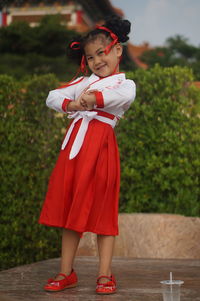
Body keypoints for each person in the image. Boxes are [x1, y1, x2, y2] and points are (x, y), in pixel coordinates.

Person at [39, 15, 136, 295]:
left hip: (101, 149)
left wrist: (92, 99)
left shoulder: (123, 84)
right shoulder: (83, 81)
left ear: (118, 50)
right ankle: (65, 272)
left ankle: (105, 274)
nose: (96, 61)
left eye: (101, 53)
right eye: (90, 57)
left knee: (103, 209)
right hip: (73, 152)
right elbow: (52, 96)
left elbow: (123, 99)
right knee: (71, 207)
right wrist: (71, 103)